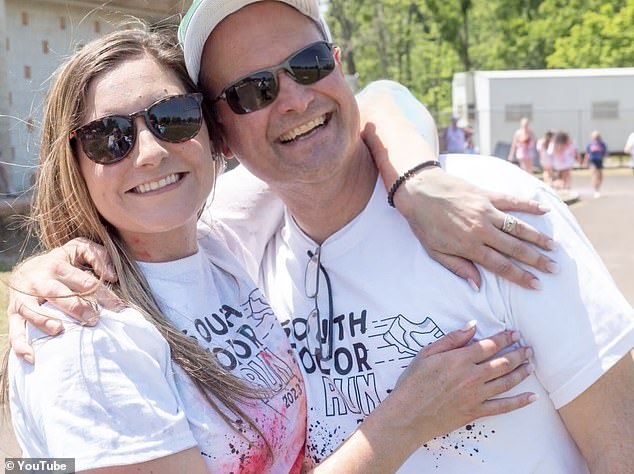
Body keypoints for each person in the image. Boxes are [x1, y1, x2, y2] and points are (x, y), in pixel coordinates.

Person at [9, 0, 632, 471]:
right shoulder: (93, 320)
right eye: (252, 91)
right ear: (225, 132)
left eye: (306, 65)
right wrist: (399, 426)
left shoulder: (494, 215)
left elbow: (386, 99)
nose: (293, 100)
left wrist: (414, 177)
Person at [584, 130, 607, 198]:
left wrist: (602, 156)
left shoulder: (602, 144)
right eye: (595, 136)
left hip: (599, 161)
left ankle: (598, 188)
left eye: (597, 136)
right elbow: (587, 154)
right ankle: (596, 190)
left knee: (600, 176)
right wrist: (585, 162)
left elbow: (605, 153)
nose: (596, 138)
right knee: (594, 176)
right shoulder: (590, 145)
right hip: (592, 161)